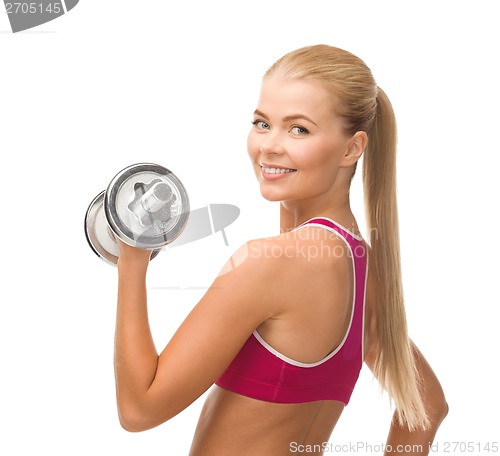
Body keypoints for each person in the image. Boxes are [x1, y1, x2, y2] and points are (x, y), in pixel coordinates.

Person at [113, 44, 448, 455]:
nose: (269, 146)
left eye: (299, 129)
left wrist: (133, 258)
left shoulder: (269, 263)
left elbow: (139, 409)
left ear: (351, 148)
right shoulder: (363, 263)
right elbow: (427, 409)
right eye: (261, 123)